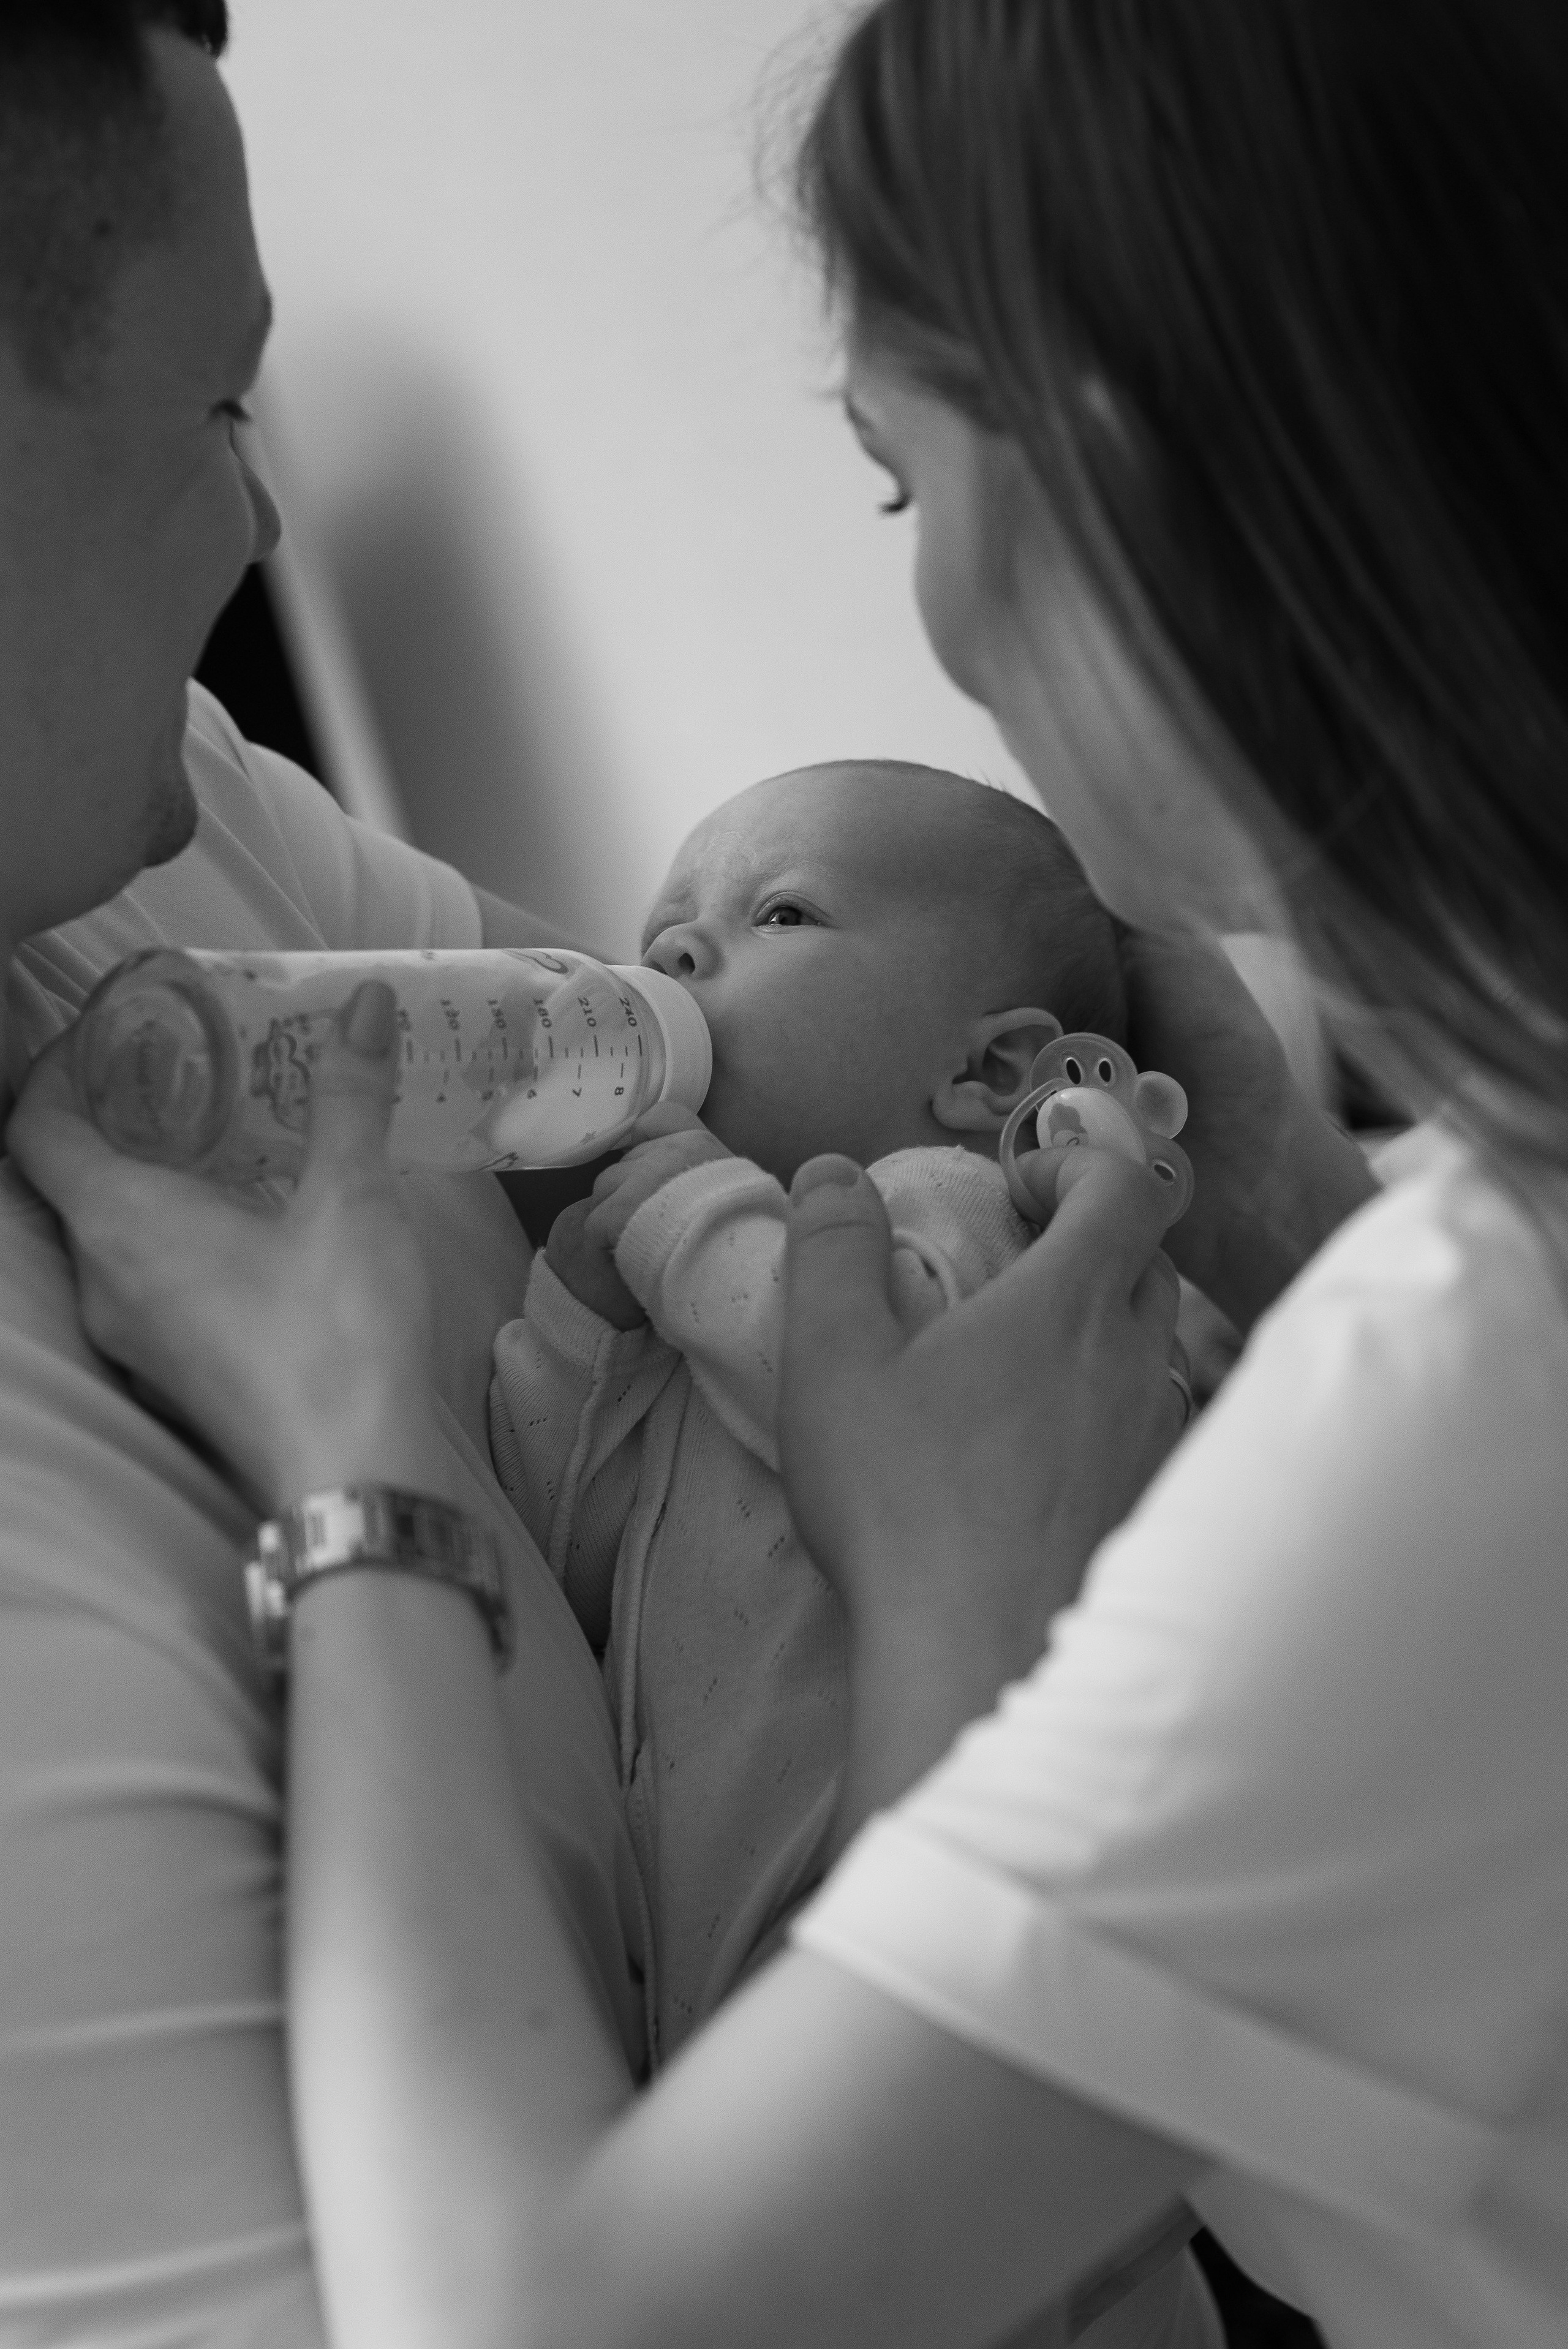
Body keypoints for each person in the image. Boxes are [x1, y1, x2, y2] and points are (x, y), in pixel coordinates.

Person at [12, 4, 1568, 2349]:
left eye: (895, 480)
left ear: (1127, 483)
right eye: (213, 410)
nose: (931, 618)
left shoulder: (1450, 1377)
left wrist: (360, 1467)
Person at [0, 9, 648, 2343]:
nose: (267, 520)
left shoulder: (140, 804)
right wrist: (357, 1447)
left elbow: (651, 1058)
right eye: (210, 412)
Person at [494, 758, 1147, 2061]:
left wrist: (685, 1216)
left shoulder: (960, 1209)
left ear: (989, 1067)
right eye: (664, 930)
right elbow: (569, 1552)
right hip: (713, 1984)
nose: (676, 946)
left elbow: (883, 1388)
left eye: (778, 913)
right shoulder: (711, 1298)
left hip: (956, 1954)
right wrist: (576, 1335)